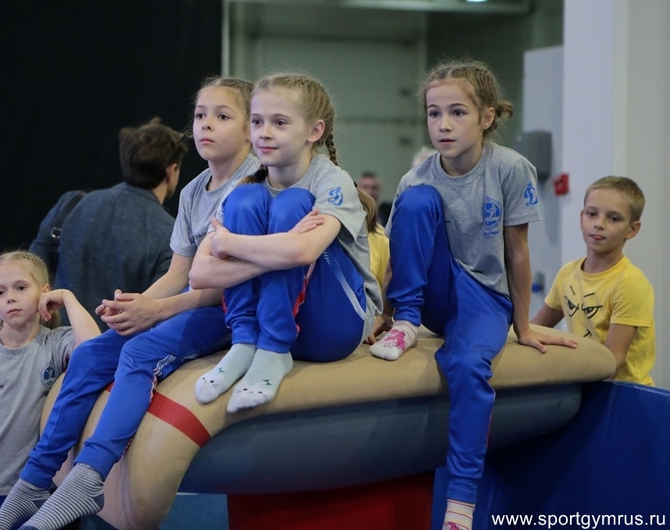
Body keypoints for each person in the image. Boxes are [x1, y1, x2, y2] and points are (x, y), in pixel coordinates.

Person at [0, 77, 259, 530]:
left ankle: (90, 476)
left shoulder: (253, 187)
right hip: (197, 302)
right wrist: (135, 306)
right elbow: (177, 274)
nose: (206, 124)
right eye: (199, 115)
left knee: (139, 352)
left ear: (250, 129)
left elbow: (233, 282)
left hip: (236, 311)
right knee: (92, 352)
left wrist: (158, 312)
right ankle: (35, 479)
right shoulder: (193, 191)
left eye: (222, 116)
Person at [367, 59, 577, 530]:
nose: (443, 124)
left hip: (485, 297)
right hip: (434, 296)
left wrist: (523, 325)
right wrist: (387, 313)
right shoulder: (416, 178)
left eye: (457, 112)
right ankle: (408, 323)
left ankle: (460, 504)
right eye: (434, 113)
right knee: (418, 199)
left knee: (465, 366)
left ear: (486, 117)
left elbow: (518, 253)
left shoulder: (510, 168)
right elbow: (400, 258)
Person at [190, 73, 382, 413]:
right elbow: (200, 275)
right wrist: (283, 247)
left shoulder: (330, 180)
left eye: (279, 123)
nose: (264, 133)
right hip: (261, 327)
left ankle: (274, 349)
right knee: (247, 200)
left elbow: (304, 251)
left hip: (332, 328)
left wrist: (231, 244)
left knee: (293, 203)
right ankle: (245, 342)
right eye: (257, 121)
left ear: (314, 131)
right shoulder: (244, 187)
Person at [0, 251, 100, 530]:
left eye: (20, 288)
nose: (10, 297)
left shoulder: (55, 344)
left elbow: (94, 351)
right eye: (0, 292)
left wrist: (67, 297)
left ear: (45, 292)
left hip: (33, 493)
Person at [29, 119, 187, 330]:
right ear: (171, 171)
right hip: (113, 347)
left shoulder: (71, 204)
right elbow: (157, 317)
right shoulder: (173, 235)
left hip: (47, 339)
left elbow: (29, 274)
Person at [532, 176, 655, 385]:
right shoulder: (568, 274)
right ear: (582, 218)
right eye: (592, 214)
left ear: (632, 229)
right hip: (586, 384)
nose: (599, 224)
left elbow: (612, 363)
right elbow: (534, 330)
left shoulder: (630, 284)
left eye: (613, 218)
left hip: (624, 393)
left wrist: (561, 371)